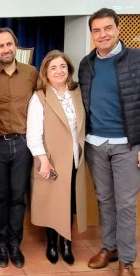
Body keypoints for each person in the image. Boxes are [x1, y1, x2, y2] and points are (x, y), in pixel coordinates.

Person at [78, 8, 140, 276]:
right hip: (95, 144)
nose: (102, 34)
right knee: (104, 199)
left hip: (127, 145)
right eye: (96, 30)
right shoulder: (86, 63)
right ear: (91, 33)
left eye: (107, 28)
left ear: (117, 29)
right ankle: (109, 247)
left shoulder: (136, 60)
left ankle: (127, 259)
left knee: (125, 203)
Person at [0, 27, 38, 268]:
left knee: (18, 197)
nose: (5, 49)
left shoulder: (32, 73)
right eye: (0, 46)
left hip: (24, 143)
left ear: (16, 46)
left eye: (9, 44)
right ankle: (0, 244)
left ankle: (15, 243)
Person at [26, 50, 87, 265]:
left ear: (69, 69)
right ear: (46, 72)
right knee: (53, 203)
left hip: (75, 158)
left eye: (62, 66)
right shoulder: (39, 97)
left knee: (69, 203)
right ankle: (52, 244)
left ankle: (66, 243)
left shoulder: (77, 92)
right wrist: (43, 159)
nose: (59, 71)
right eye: (53, 68)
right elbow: (33, 133)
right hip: (50, 159)